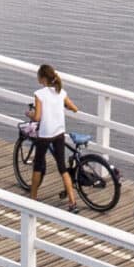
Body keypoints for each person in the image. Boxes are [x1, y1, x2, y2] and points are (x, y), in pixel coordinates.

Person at [26, 64, 82, 209]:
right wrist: (65, 106)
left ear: (43, 78)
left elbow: (37, 117)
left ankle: (32, 198)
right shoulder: (61, 92)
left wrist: (29, 114)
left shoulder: (39, 94)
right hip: (59, 133)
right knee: (62, 168)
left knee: (38, 166)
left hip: (45, 134)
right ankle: (72, 202)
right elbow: (74, 108)